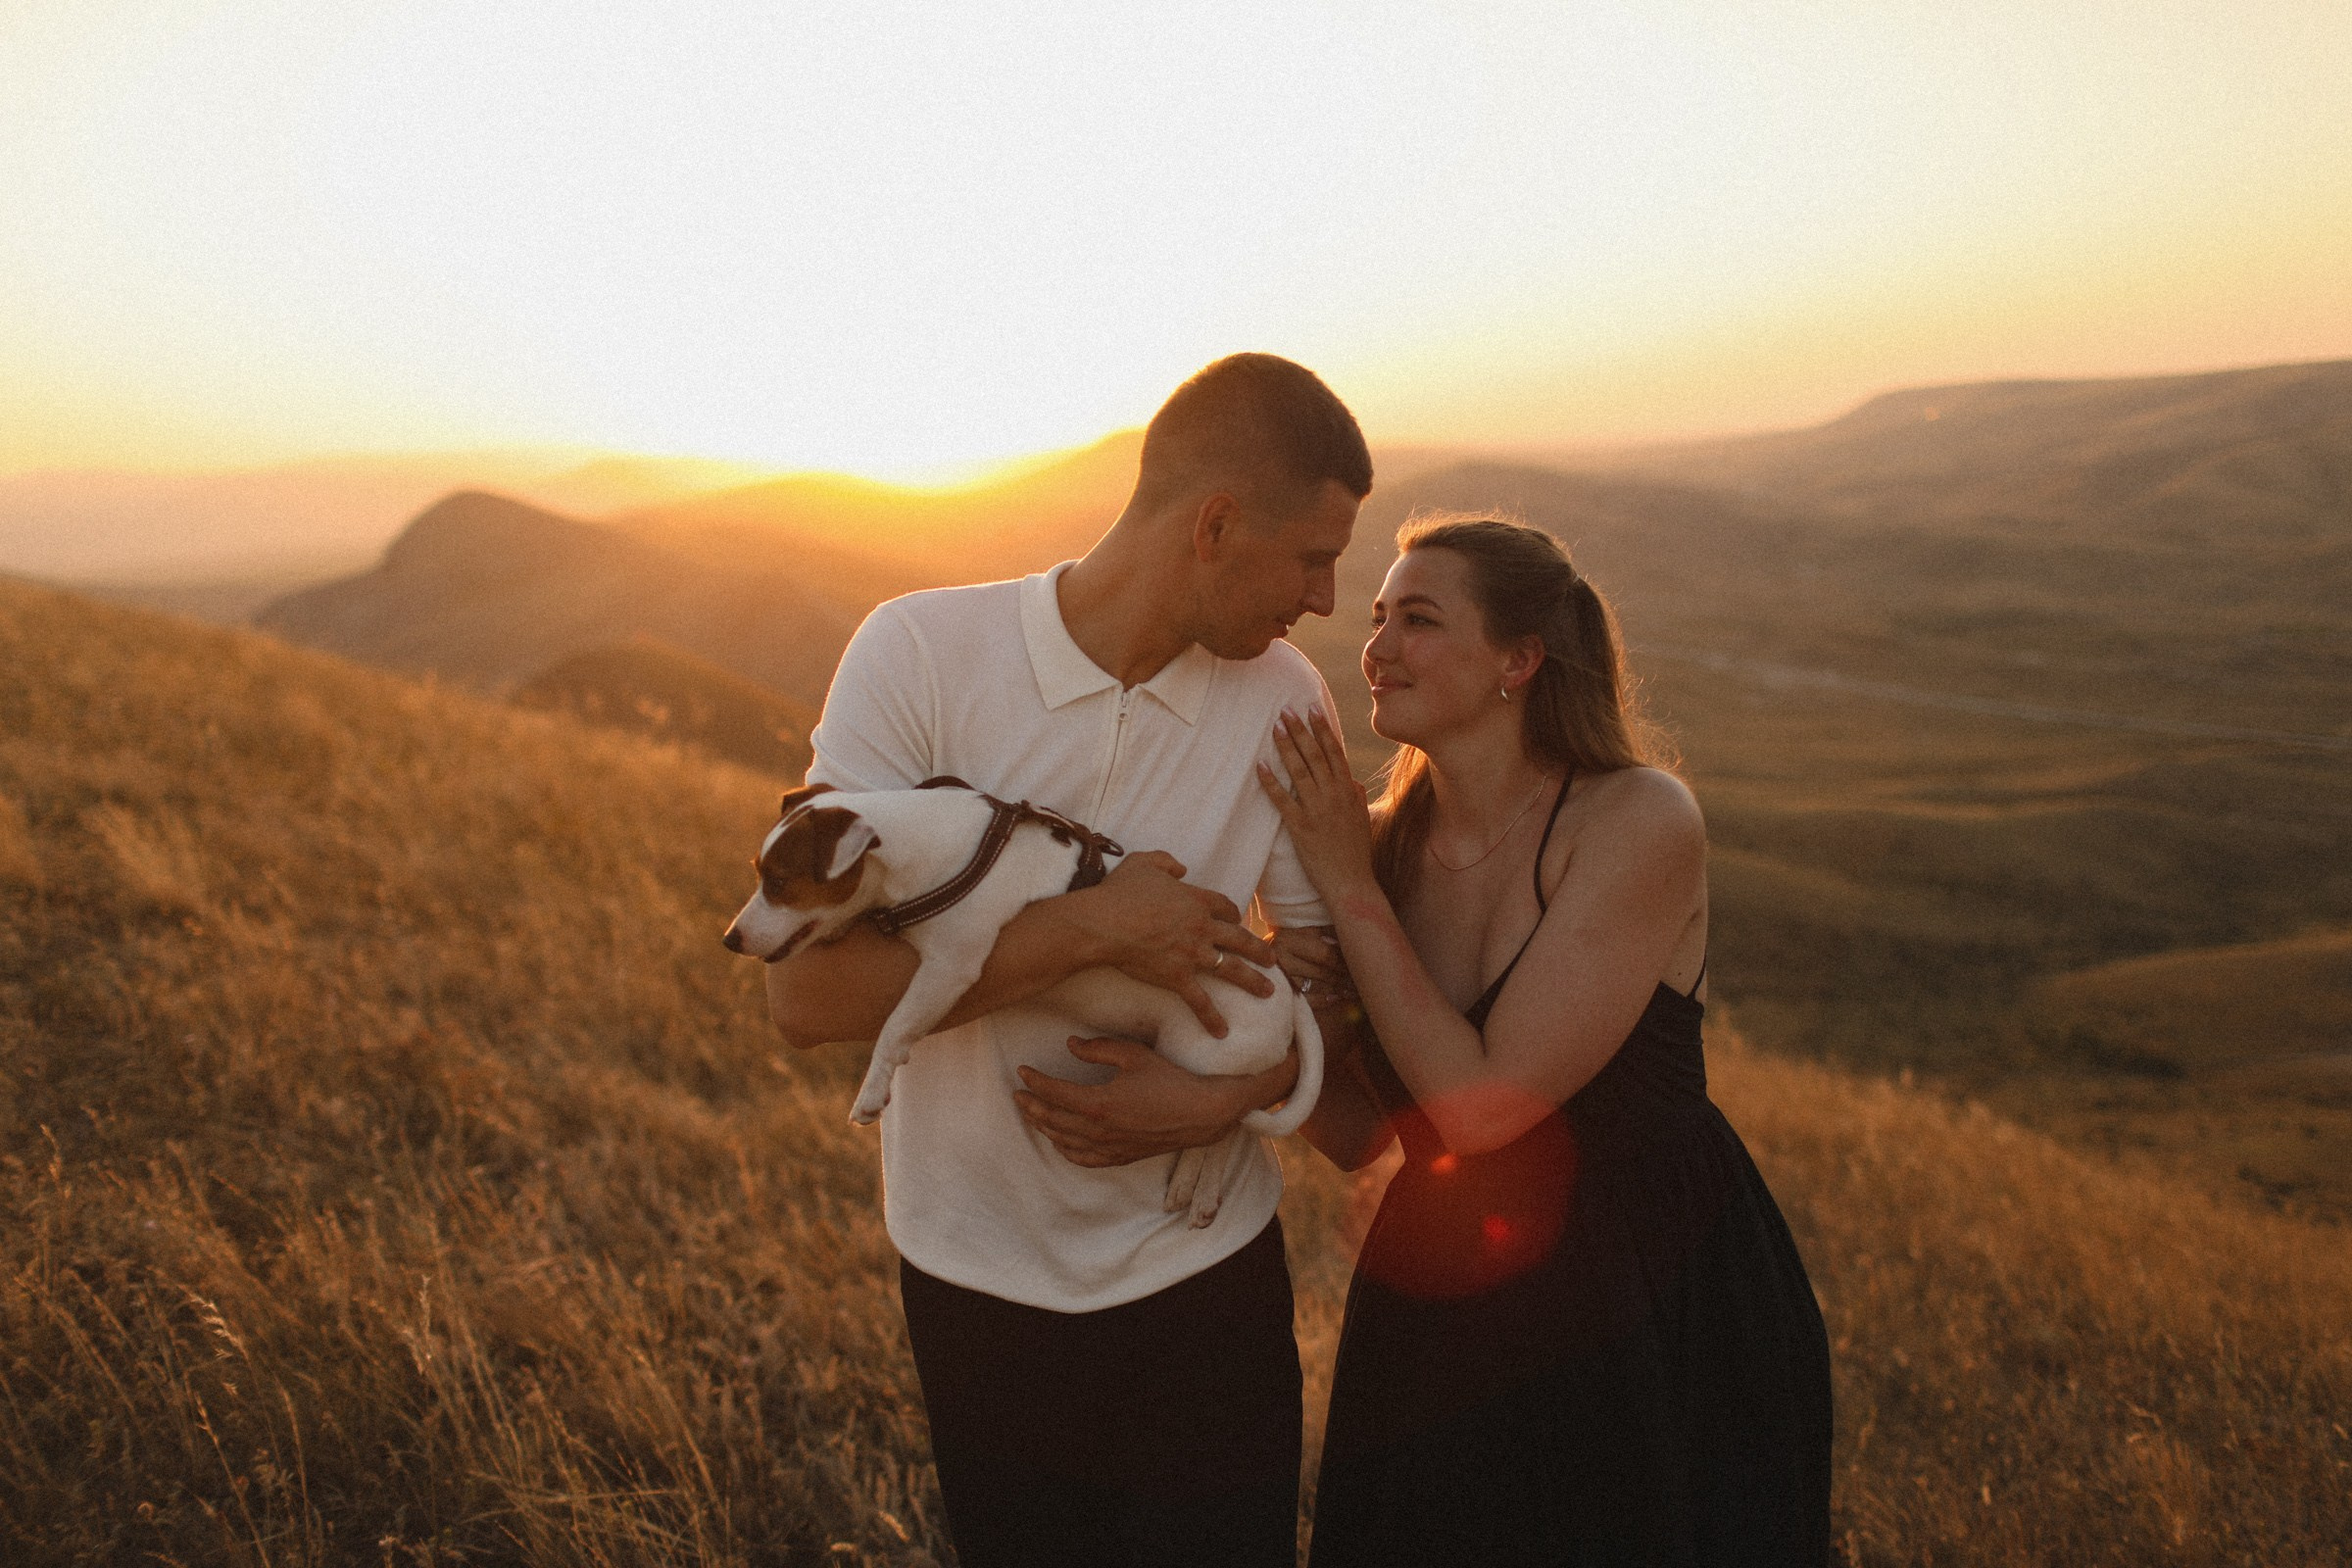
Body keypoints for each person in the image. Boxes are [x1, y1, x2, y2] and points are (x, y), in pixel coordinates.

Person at [764, 353, 1371, 1568]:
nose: (1326, 597)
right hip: (972, 1274)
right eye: (1313, 556)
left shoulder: (1285, 696)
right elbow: (806, 993)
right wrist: (1094, 928)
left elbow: (1321, 969)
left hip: (1206, 1278)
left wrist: (1227, 1094)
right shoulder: (918, 658)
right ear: (1213, 524)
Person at [1257, 515, 1832, 1563]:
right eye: (1379, 617)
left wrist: (1341, 887)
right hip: (1441, 1305)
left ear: (1520, 658)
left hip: (1649, 1292)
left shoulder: (1635, 819)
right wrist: (1251, 1004)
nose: (1375, 644)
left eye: (1418, 620)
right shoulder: (1383, 846)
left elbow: (1481, 1112)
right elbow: (1355, 1129)